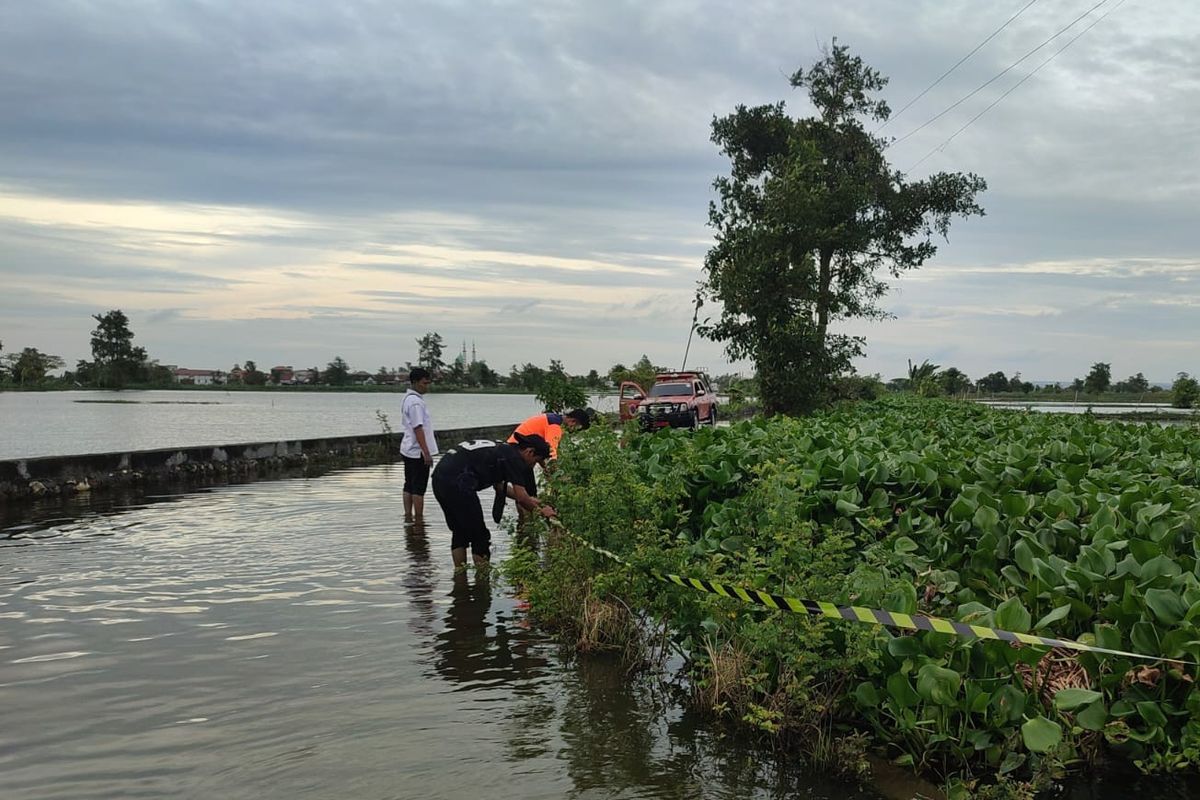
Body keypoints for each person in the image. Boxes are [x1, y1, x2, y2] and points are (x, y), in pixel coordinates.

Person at [432, 433, 556, 569]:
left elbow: (500, 487)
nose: (532, 466)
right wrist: (543, 511)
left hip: (439, 479)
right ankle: (483, 582)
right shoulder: (514, 459)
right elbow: (521, 498)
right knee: (480, 537)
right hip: (458, 483)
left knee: (460, 531)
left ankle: (460, 579)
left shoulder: (503, 450)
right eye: (535, 461)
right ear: (529, 451)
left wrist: (532, 500)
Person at [504, 409, 590, 513]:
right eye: (577, 429)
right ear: (573, 422)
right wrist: (557, 477)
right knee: (527, 492)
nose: (573, 432)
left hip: (518, 449)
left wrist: (546, 470)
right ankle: (527, 520)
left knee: (526, 490)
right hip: (520, 452)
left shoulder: (553, 418)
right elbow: (551, 453)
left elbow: (542, 452)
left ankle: (525, 521)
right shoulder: (555, 426)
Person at [400, 367, 437, 519]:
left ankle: (408, 516)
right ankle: (419, 520)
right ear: (415, 382)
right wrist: (426, 453)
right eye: (424, 383)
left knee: (409, 484)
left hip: (408, 449)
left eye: (428, 383)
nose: (426, 386)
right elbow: (418, 428)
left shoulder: (409, 399)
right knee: (418, 488)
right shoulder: (415, 403)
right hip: (417, 451)